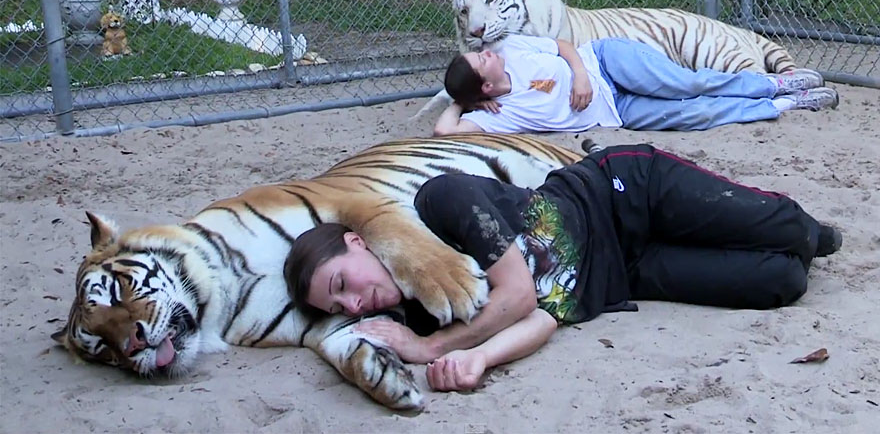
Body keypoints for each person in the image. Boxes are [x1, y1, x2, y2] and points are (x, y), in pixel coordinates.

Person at [284, 143, 843, 392]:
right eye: (339, 307)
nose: (353, 304)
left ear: (358, 242)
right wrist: (477, 357)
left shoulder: (439, 202)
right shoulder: (430, 311)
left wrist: (433, 349)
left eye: (342, 283)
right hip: (627, 272)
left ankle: (815, 233)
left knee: (794, 234)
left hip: (623, 191)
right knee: (782, 282)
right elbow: (543, 317)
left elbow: (520, 295)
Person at [433, 35, 839, 135]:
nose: (487, 53)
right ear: (486, 89)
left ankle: (774, 83)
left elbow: (564, 46)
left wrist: (580, 75)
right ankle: (787, 104)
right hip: (616, 111)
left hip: (604, 62)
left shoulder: (513, 50)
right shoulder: (498, 115)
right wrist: (461, 103)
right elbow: (443, 133)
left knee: (686, 84)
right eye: (481, 60)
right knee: (695, 114)